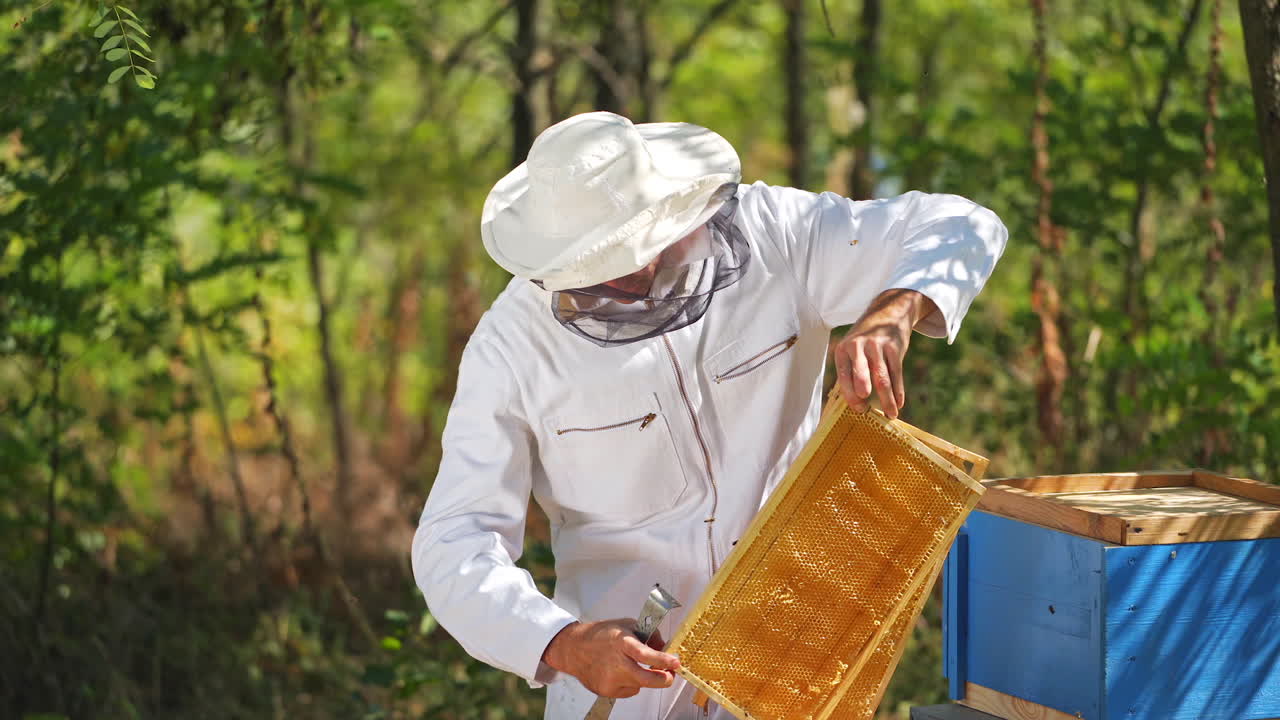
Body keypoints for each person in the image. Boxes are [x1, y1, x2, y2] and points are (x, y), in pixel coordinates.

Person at [412, 111, 1007, 720]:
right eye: (606, 264)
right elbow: (454, 542)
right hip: (628, 694)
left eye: (647, 243)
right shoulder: (510, 349)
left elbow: (962, 223)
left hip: (795, 666)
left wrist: (894, 309)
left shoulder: (776, 233)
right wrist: (563, 643)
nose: (637, 272)